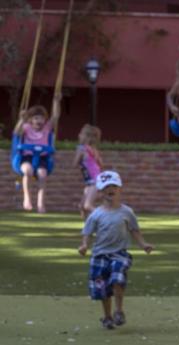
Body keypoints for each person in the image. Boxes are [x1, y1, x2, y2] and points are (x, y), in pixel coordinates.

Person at [77, 171, 154, 330]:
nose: (110, 189)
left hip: (119, 253)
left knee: (117, 279)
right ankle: (107, 316)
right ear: (100, 192)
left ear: (120, 189)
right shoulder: (96, 214)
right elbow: (87, 232)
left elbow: (134, 230)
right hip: (100, 255)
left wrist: (143, 244)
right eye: (106, 187)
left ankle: (119, 311)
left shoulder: (127, 212)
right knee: (102, 288)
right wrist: (84, 245)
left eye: (113, 186)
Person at [14, 95, 61, 213]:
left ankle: (41, 203)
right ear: (30, 120)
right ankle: (27, 198)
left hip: (42, 157)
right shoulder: (26, 127)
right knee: (27, 171)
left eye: (41, 118)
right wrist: (21, 120)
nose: (39, 121)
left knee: (42, 175)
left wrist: (56, 101)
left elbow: (55, 116)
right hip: (26, 156)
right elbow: (16, 133)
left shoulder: (47, 128)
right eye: (36, 118)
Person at [73, 124, 104, 217]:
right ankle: (87, 223)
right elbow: (101, 165)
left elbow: (75, 163)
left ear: (87, 137)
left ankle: (107, 217)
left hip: (93, 181)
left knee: (87, 206)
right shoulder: (94, 150)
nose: (79, 135)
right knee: (82, 206)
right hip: (92, 181)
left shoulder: (81, 149)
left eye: (81, 133)